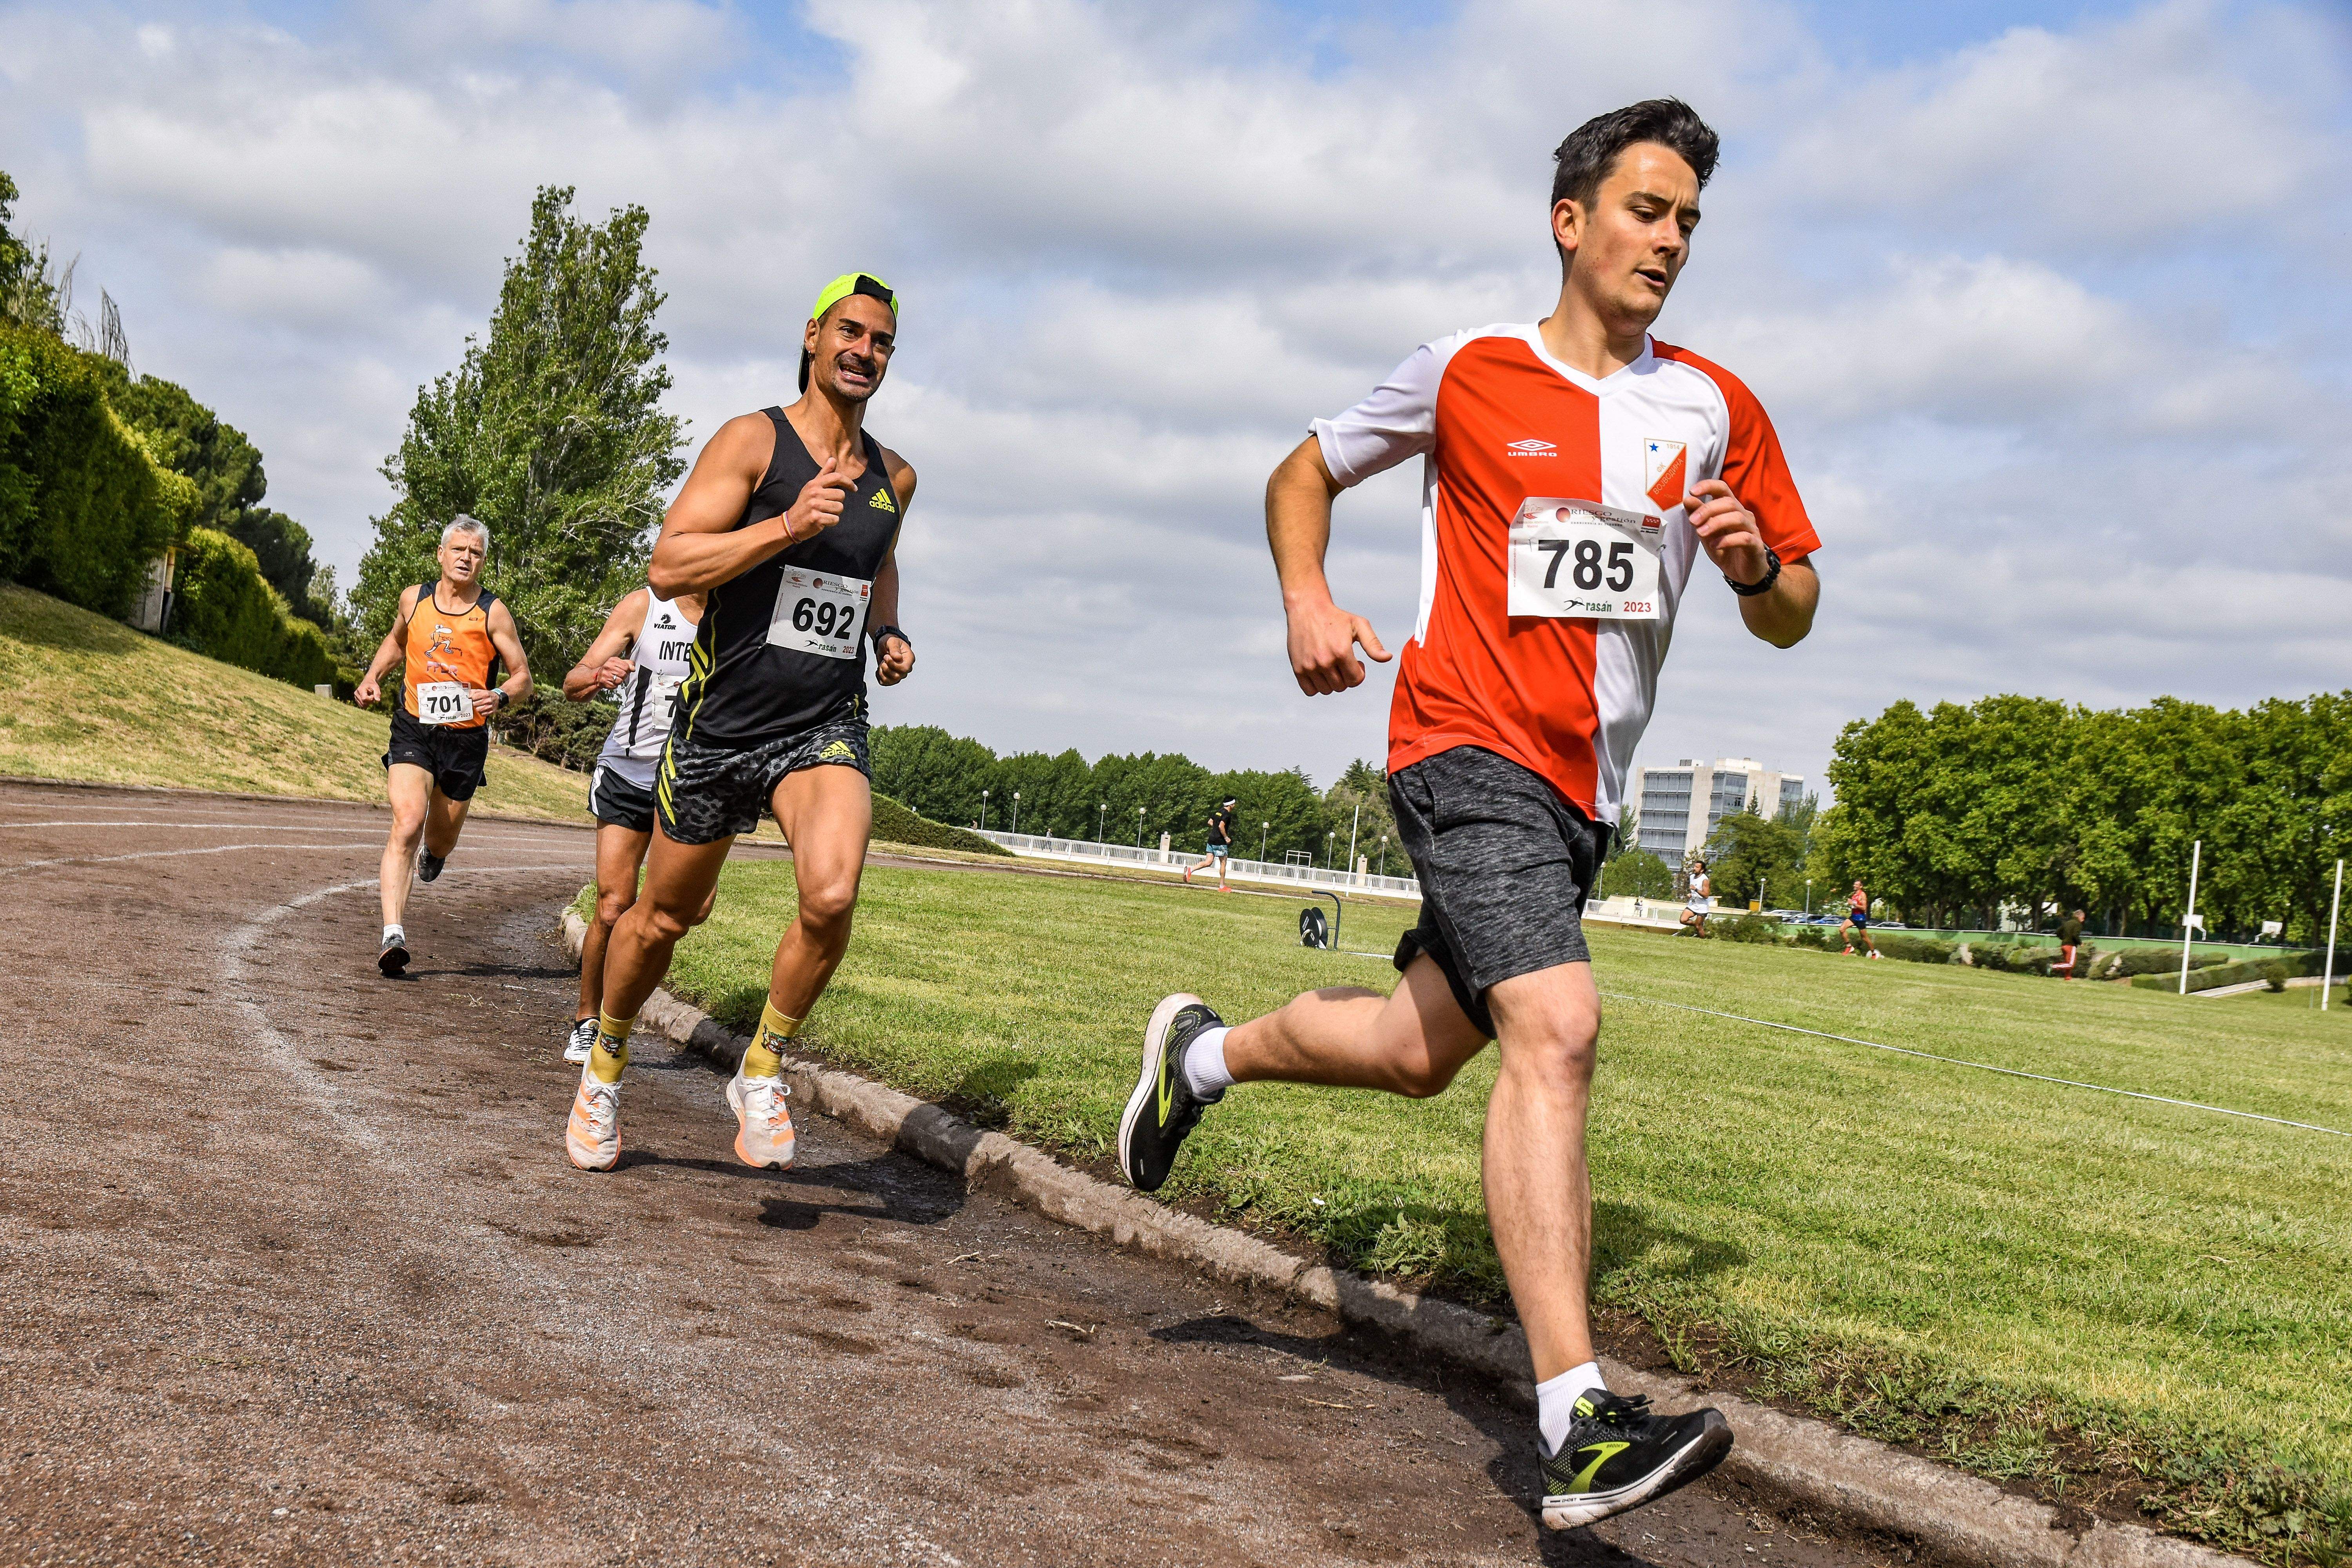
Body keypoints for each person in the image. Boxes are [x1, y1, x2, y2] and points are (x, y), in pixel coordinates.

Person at [1116, 100, 1822, 1530]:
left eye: (1688, 219)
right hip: (1460, 745)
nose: (1670, 239)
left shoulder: (1716, 409)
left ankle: (1199, 1057)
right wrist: (1307, 599)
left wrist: (1752, 568)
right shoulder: (1468, 371)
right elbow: (1300, 468)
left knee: (1416, 1048)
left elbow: (1795, 615)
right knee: (1556, 1026)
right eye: (1645, 208)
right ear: (1570, 221)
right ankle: (1577, 1419)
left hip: (1584, 797)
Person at [566, 272, 917, 1175]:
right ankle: (605, 1064)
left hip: (822, 723)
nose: (864, 351)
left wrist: (886, 630)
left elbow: (877, 560)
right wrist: (788, 524)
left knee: (832, 895)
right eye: (851, 331)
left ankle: (761, 1066)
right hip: (720, 724)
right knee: (661, 917)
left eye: (880, 341)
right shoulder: (754, 441)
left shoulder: (895, 476)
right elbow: (672, 560)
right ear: (812, 336)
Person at [352, 516, 532, 977]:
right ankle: (393, 932)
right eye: (459, 550)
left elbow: (522, 677)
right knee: (408, 820)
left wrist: (500, 696)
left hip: (466, 740)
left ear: (483, 561)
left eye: (475, 553)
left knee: (439, 838)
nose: (466, 559)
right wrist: (373, 677)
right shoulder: (414, 599)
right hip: (414, 727)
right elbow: (397, 641)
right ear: (441, 554)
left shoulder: (493, 612)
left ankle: (436, 854)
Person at [558, 584, 710, 1063]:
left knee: (693, 909)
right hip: (628, 772)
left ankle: (621, 1001)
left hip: (691, 782)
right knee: (611, 905)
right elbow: (572, 682)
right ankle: (589, 1019)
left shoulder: (740, 613)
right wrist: (598, 674)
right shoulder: (645, 605)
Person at [1183, 797, 1239, 890]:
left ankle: (1191, 870)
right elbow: (1221, 826)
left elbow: (1210, 822)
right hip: (1220, 842)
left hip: (1211, 840)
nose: (1235, 805)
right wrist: (1226, 838)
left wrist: (1216, 830)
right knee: (1223, 863)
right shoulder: (1227, 814)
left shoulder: (1219, 811)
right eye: (1234, 804)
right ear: (1230, 805)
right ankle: (1222, 886)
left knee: (1209, 862)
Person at [1840, 880, 1880, 958]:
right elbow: (1854, 906)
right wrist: (1851, 903)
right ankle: (1849, 947)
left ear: (1861, 886)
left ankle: (1873, 953)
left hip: (1860, 919)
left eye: (1857, 885)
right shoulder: (1854, 894)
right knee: (1842, 930)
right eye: (1854, 884)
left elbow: (1864, 908)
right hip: (1853, 917)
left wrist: (1854, 904)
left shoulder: (1862, 895)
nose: (1854, 886)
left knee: (1865, 938)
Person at [1679, 859, 1712, 937]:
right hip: (1693, 904)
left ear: (1702, 870)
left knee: (1698, 927)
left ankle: (1704, 942)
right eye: (1695, 866)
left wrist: (1696, 890)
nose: (1694, 868)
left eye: (1697, 867)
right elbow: (1695, 891)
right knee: (1683, 920)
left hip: (1702, 906)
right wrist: (1691, 894)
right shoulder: (1692, 877)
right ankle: (1697, 924)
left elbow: (1706, 895)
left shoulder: (1705, 880)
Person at [2054, 907, 2085, 979]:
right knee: (2071, 964)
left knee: (2067, 962)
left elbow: (2058, 932)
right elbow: (2075, 935)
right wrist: (2080, 943)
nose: (2083, 920)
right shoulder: (2078, 924)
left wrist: (2064, 938)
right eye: (2083, 918)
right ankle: (2053, 967)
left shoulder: (2067, 923)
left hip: (2064, 946)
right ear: (2079, 917)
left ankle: (2068, 977)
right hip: (2071, 946)